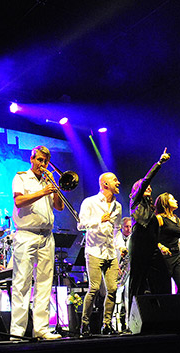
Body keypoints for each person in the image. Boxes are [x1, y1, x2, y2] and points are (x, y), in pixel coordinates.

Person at [9, 145, 64, 340]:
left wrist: (55, 190)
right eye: (39, 160)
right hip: (26, 234)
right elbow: (19, 201)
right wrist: (43, 191)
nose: (42, 164)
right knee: (22, 282)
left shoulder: (48, 180)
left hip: (47, 235)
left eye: (45, 161)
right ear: (32, 159)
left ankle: (41, 329)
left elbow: (59, 207)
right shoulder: (22, 177)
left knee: (44, 284)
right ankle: (17, 332)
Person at [77, 172, 122, 336]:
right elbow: (80, 225)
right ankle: (85, 325)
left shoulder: (118, 206)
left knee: (112, 289)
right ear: (104, 184)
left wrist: (121, 246)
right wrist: (99, 220)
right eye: (114, 180)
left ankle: (107, 325)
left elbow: (117, 230)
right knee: (94, 288)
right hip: (94, 251)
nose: (118, 182)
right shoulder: (90, 202)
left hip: (110, 252)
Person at [127, 149, 170, 306]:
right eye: (145, 186)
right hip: (139, 244)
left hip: (152, 246)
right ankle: (132, 315)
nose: (149, 187)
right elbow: (146, 180)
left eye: (150, 187)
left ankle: (162, 310)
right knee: (137, 279)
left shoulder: (150, 208)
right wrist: (159, 163)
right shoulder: (135, 201)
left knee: (163, 276)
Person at [152, 193, 180, 294]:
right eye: (172, 199)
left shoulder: (177, 220)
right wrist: (160, 246)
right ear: (165, 202)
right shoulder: (159, 218)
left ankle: (177, 308)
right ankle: (165, 309)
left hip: (177, 256)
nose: (176, 201)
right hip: (164, 258)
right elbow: (152, 237)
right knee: (165, 289)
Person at [113, 217, 132, 331]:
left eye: (130, 227)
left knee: (128, 297)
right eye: (126, 226)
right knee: (117, 297)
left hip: (129, 271)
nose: (129, 229)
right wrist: (116, 266)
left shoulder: (133, 238)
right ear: (121, 227)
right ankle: (116, 324)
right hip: (118, 270)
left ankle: (129, 323)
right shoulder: (116, 237)